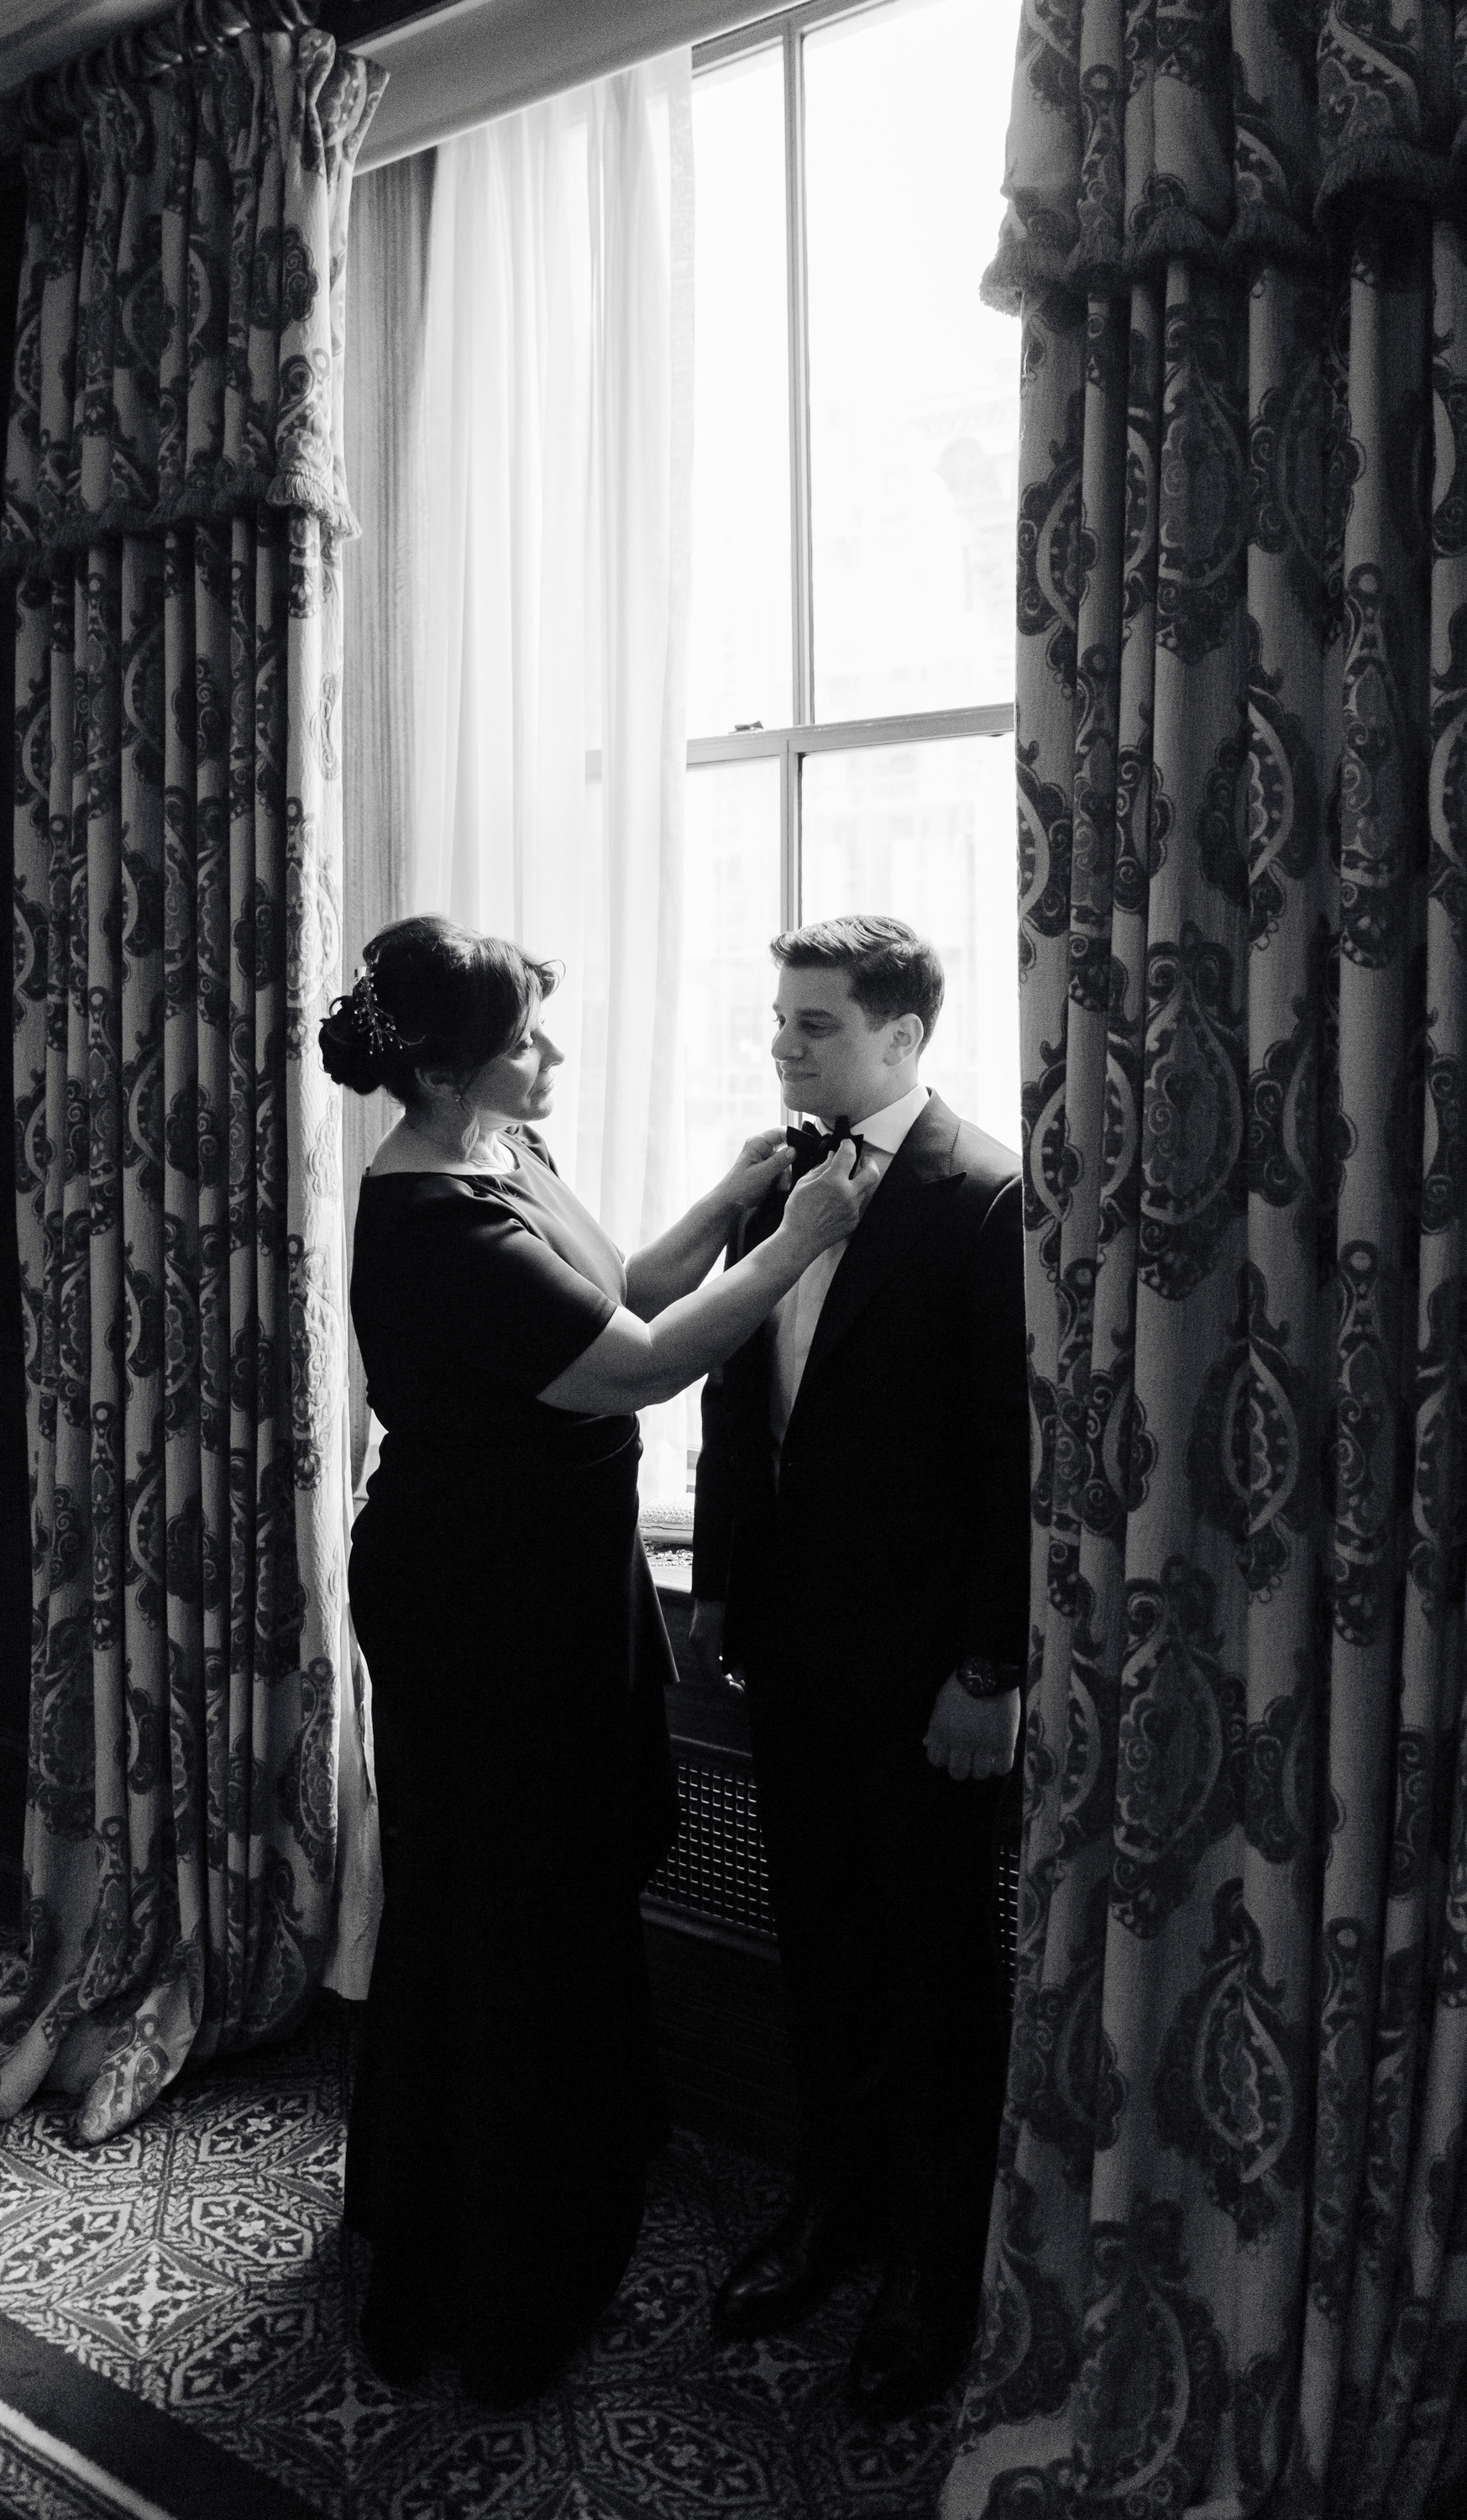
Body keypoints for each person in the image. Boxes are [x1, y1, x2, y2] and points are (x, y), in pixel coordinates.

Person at [322, 911, 879, 2406]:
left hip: (556, 1581)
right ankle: (491, 2235)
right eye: (525, 1043)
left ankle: (534, 2161)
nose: (552, 1055)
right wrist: (808, 1235)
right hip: (476, 1600)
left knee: (552, 1878)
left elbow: (624, 1282)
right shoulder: (434, 1225)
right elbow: (639, 1364)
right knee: (497, 1899)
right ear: (445, 1073)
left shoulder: (500, 1162)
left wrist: (742, 1187)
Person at [689, 913, 1028, 2419]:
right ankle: (832, 2215)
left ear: (902, 1035)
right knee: (821, 1950)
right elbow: (731, 1396)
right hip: (787, 1653)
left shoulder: (987, 1192)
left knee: (939, 1975)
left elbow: (1014, 1459)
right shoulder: (777, 1173)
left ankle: (934, 2275)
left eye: (814, 1023)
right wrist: (721, 1587)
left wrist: (989, 1664)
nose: (783, 1043)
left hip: (925, 1679)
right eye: (780, 1018)